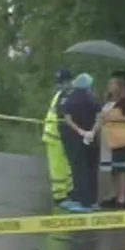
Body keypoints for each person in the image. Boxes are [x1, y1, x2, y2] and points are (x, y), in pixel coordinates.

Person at [57, 73, 103, 213]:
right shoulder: (94, 99)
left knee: (79, 170)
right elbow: (100, 117)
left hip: (76, 140)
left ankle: (83, 202)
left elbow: (67, 118)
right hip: (93, 140)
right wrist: (92, 132)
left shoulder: (70, 99)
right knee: (92, 170)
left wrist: (80, 132)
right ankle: (93, 200)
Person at [99, 70, 125, 209]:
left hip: (119, 139)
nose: (109, 86)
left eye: (112, 84)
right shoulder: (109, 101)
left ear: (119, 86)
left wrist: (111, 118)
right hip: (108, 139)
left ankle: (122, 197)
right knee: (112, 168)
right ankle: (112, 194)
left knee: (121, 169)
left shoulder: (124, 101)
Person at [42, 68, 74, 205]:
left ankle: (68, 191)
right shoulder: (62, 96)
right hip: (55, 137)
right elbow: (63, 116)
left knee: (66, 167)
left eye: (61, 82)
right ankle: (60, 195)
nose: (58, 85)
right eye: (58, 82)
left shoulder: (67, 95)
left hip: (61, 137)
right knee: (57, 168)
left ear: (69, 81)